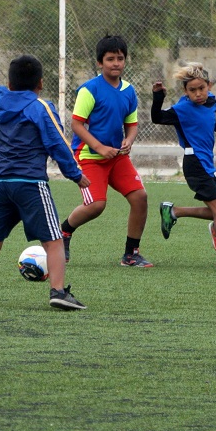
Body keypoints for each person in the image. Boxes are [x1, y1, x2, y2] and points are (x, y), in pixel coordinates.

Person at [0, 55, 91, 309]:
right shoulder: (40, 107)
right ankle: (58, 292)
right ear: (40, 83)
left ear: (9, 83)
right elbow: (57, 143)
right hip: (29, 183)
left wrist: (4, 97)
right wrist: (75, 174)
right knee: (54, 240)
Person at [59, 34, 153, 267]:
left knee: (140, 197)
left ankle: (131, 254)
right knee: (96, 205)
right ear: (100, 63)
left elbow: (131, 125)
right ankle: (63, 233)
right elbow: (76, 124)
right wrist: (99, 148)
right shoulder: (89, 90)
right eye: (110, 59)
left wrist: (129, 140)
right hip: (89, 157)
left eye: (120, 58)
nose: (116, 63)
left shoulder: (129, 91)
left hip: (117, 158)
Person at [152, 63, 216, 272]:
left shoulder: (210, 102)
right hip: (195, 164)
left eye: (201, 88)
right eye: (192, 90)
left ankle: (173, 211)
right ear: (185, 92)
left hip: (206, 165)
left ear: (208, 86)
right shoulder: (182, 109)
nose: (198, 94)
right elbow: (157, 118)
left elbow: (205, 121)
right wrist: (158, 97)